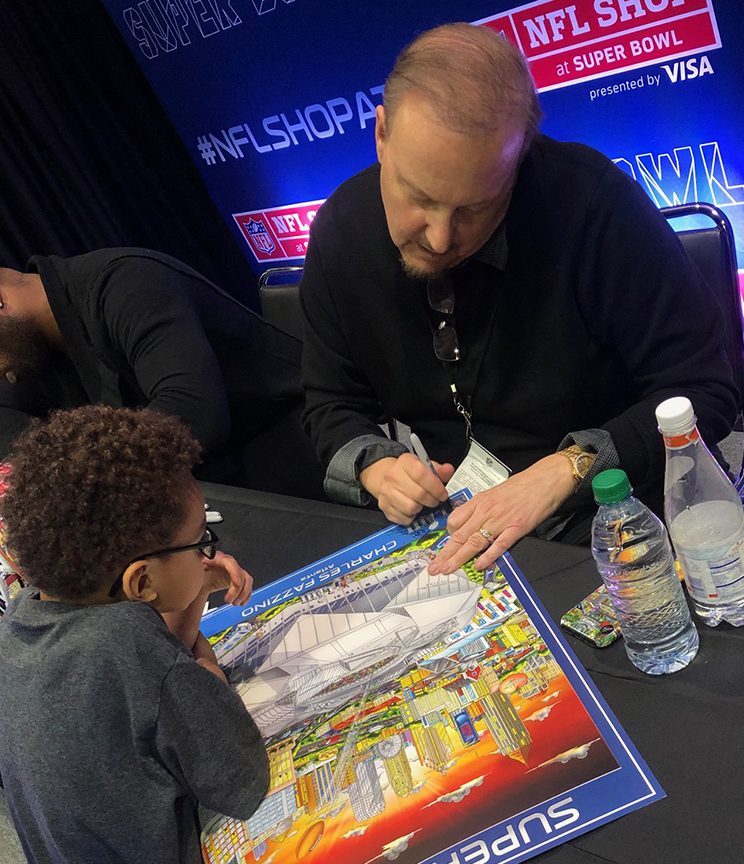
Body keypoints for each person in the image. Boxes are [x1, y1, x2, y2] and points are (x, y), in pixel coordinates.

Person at [300, 23, 739, 574]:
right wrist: (373, 465)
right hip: (464, 524)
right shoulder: (341, 230)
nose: (438, 238)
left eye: (474, 209)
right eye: (420, 198)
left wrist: (570, 468)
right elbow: (329, 401)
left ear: (518, 162)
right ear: (381, 133)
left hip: (624, 507)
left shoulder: (591, 205)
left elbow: (705, 390)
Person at [0, 405, 269, 864]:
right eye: (200, 540)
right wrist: (206, 668)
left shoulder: (19, 622)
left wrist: (194, 587)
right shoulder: (129, 645)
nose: (208, 554)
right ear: (141, 583)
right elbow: (242, 781)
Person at [0, 247, 324, 497]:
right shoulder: (27, 350)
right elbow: (13, 444)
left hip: (295, 447)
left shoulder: (126, 282)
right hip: (209, 486)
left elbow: (193, 416)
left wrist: (75, 474)